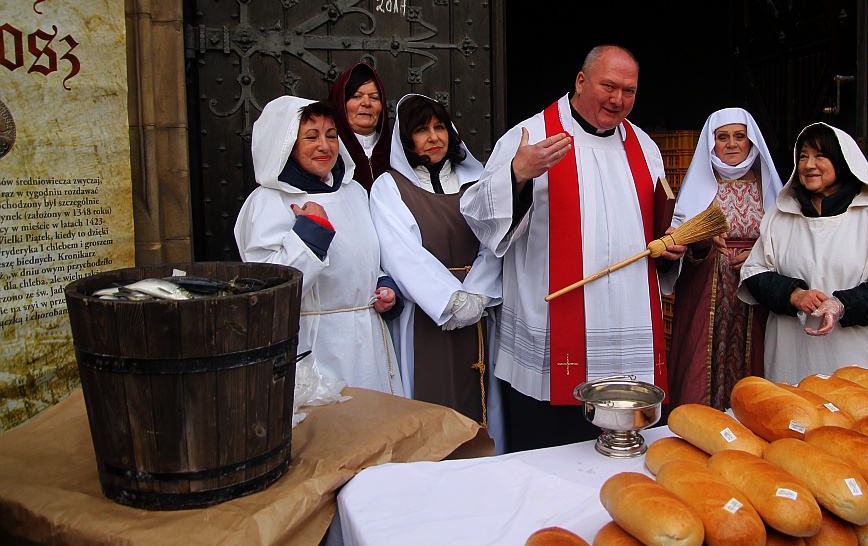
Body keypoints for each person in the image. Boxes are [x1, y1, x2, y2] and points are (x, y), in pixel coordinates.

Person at [460, 45, 685, 451]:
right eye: (609, 86)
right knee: (552, 456)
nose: (618, 100)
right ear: (581, 81)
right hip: (552, 322)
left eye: (629, 91)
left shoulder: (645, 147)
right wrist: (517, 175)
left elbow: (657, 223)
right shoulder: (530, 136)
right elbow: (479, 216)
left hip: (626, 321)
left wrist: (671, 247)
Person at [235, 95, 404, 397]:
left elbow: (366, 257)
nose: (325, 146)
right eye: (311, 137)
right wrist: (311, 232)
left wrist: (383, 284)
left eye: (331, 135)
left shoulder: (354, 192)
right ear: (285, 145)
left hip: (368, 340)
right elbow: (267, 287)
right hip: (316, 343)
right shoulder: (268, 202)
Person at [369, 94, 506, 452]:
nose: (434, 137)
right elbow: (401, 252)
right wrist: (451, 299)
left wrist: (477, 293)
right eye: (421, 130)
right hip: (428, 314)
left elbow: (494, 242)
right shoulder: (390, 187)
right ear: (405, 139)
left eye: (440, 126)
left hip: (478, 311)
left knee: (481, 405)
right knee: (428, 404)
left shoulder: (478, 181)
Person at [738, 122, 868, 384]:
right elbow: (754, 272)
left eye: (820, 156)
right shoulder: (781, 216)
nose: (809, 165)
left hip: (863, 361)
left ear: (843, 161)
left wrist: (841, 304)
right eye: (803, 156)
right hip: (795, 359)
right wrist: (793, 294)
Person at [667, 107, 784, 410]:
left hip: (753, 291)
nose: (732, 143)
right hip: (705, 287)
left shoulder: (768, 185)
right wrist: (700, 241)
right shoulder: (698, 186)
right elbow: (679, 241)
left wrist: (758, 257)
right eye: (723, 137)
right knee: (699, 361)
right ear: (712, 143)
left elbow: (785, 241)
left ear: (751, 142)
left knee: (754, 362)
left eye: (739, 136)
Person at [327, 61, 392, 190]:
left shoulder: (396, 152)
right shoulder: (329, 151)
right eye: (356, 96)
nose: (366, 103)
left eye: (374, 98)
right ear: (341, 104)